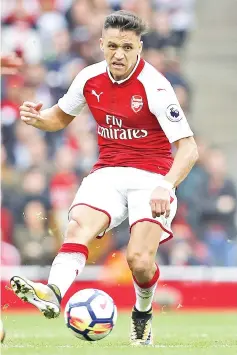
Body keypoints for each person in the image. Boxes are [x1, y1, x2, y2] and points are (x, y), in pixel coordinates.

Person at [10, 10, 198, 346]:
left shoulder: (155, 86)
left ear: (138, 47)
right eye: (112, 46)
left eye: (127, 47)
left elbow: (188, 149)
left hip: (151, 176)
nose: (119, 54)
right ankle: (53, 292)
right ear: (101, 44)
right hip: (108, 171)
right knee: (77, 226)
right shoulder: (88, 78)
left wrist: (166, 185)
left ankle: (142, 313)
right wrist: (38, 119)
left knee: (139, 262)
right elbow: (59, 117)